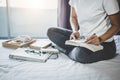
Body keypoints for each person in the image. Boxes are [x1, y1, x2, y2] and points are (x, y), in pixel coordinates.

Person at [47, 0, 120, 63]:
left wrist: (100, 39)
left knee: (81, 54)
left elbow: (117, 25)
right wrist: (75, 31)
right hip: (82, 39)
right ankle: (74, 49)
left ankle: (64, 50)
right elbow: (73, 17)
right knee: (51, 32)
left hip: (103, 43)